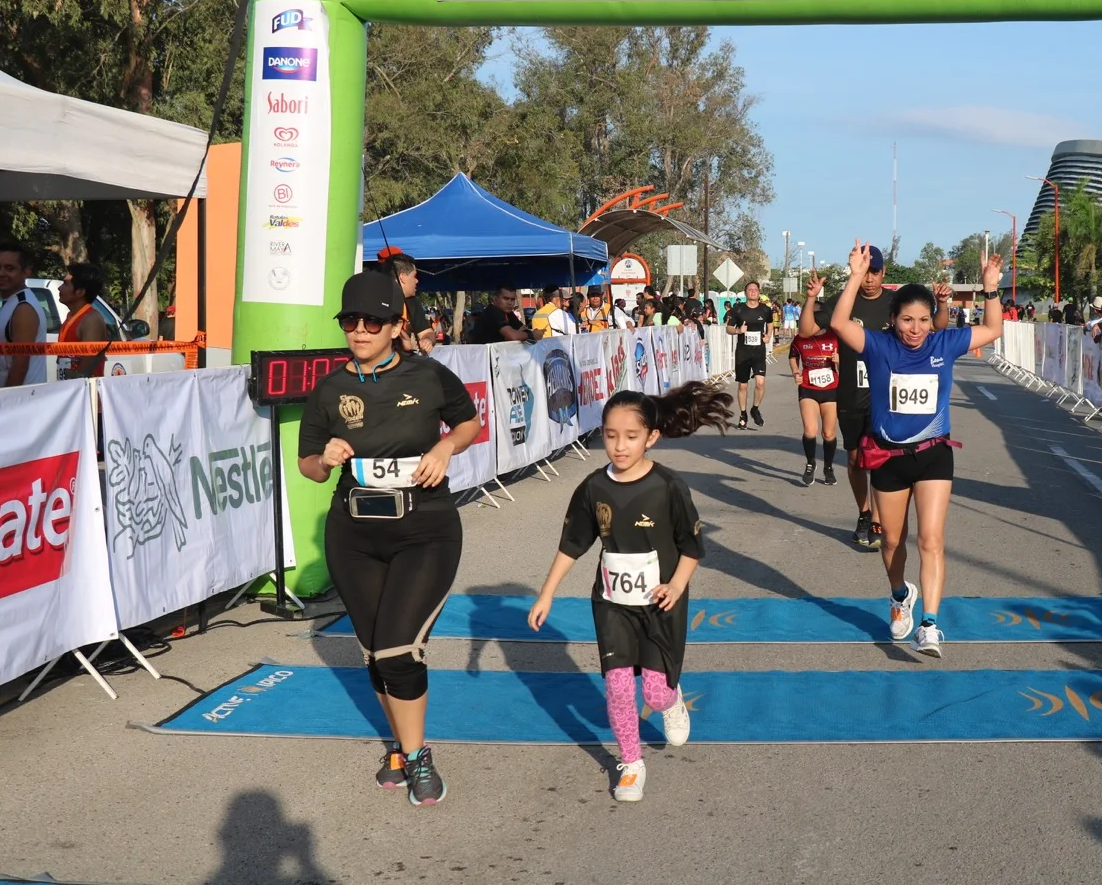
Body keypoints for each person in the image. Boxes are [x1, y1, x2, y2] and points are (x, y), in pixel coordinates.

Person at [297, 270, 483, 805]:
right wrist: (324, 459)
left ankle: (418, 755)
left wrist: (445, 448)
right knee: (376, 655)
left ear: (396, 326)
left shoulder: (429, 375)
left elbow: (469, 423)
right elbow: (308, 465)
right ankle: (401, 748)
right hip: (353, 536)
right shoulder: (330, 388)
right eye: (350, 321)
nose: (359, 331)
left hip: (425, 531)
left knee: (399, 650)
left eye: (372, 322)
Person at [528, 382, 732, 802]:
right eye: (610, 435)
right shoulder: (593, 488)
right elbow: (572, 544)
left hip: (660, 602)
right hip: (612, 604)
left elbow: (692, 548)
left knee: (654, 693)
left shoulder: (668, 486)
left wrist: (676, 584)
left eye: (631, 436)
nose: (619, 446)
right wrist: (546, 593)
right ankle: (631, 764)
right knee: (619, 687)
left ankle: (671, 700)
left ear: (651, 437)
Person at [828, 241, 1003, 658]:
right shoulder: (878, 346)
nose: (916, 328)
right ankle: (899, 595)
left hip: (933, 455)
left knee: (931, 539)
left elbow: (993, 329)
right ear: (893, 319)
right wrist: (855, 276)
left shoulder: (944, 344)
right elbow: (838, 323)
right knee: (892, 542)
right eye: (907, 319)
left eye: (923, 320)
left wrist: (991, 289)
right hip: (888, 458)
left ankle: (929, 624)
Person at [817, 246, 949, 549]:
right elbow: (820, 326)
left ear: (883, 272)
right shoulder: (844, 299)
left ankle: (878, 518)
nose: (869, 278)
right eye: (865, 272)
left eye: (874, 272)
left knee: (881, 456)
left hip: (886, 397)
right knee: (855, 459)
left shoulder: (896, 302)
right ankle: (864, 513)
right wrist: (815, 298)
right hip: (851, 393)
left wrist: (941, 305)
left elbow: (935, 328)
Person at [793, 274, 840, 487]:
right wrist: (796, 372)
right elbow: (793, 356)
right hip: (808, 387)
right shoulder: (801, 338)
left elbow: (848, 363)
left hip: (831, 388)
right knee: (810, 430)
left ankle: (828, 467)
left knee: (828, 433)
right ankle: (810, 463)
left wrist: (839, 361)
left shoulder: (835, 336)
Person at [725, 281, 773, 429]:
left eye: (755, 289)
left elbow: (770, 324)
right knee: (743, 385)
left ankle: (755, 409)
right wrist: (738, 331)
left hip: (758, 351)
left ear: (759, 292)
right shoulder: (738, 309)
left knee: (760, 383)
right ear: (745, 293)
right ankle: (743, 414)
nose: (753, 291)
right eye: (750, 289)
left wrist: (768, 336)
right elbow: (728, 328)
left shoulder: (765, 309)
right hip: (743, 352)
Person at [0, 242, 45, 388]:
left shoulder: (23, 307)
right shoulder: (11, 302)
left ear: (26, 272)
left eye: (10, 268)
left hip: (21, 398)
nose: (1, 273)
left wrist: (6, 399)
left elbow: (20, 365)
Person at [377, 248, 435, 355]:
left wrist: (427, 340)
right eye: (414, 276)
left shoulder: (412, 302)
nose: (417, 281)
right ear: (402, 277)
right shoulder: (375, 299)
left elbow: (427, 332)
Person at [57, 262, 110, 378]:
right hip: (69, 387)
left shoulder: (91, 320)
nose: (59, 288)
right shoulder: (71, 316)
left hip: (84, 388)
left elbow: (84, 373)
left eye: (65, 284)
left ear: (80, 292)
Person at [468, 286, 534, 344]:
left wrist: (517, 334)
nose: (509, 303)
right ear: (495, 299)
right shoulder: (492, 312)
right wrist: (532, 335)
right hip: (484, 353)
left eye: (512, 299)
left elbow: (522, 329)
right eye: (506, 298)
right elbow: (513, 336)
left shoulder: (508, 312)